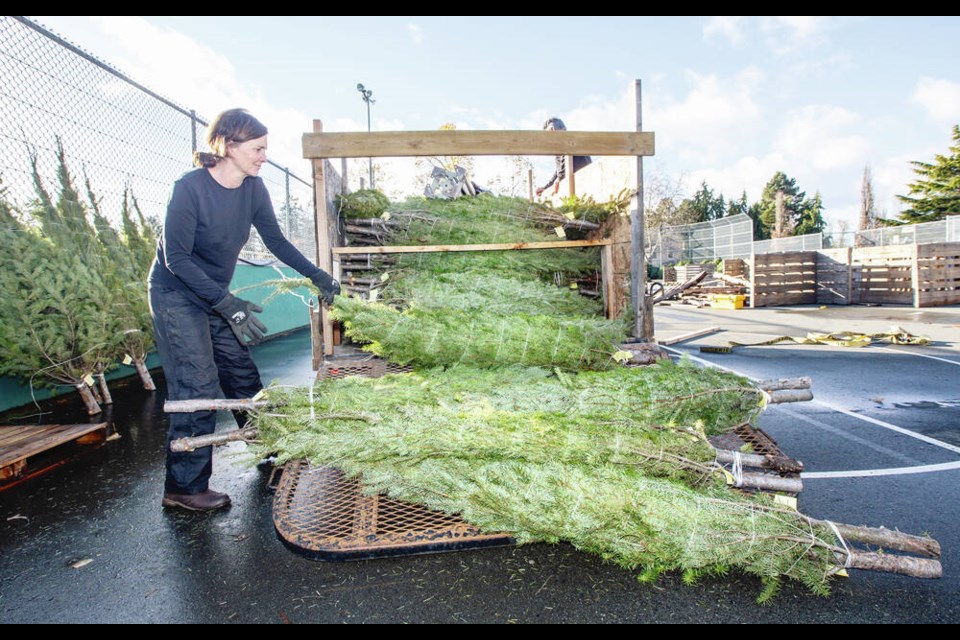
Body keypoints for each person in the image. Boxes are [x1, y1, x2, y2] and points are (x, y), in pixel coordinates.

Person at [148, 108, 340, 512]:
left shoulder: (253, 189)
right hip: (176, 294)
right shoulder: (190, 188)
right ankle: (184, 486)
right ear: (228, 145)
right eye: (258, 148)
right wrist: (226, 304)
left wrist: (317, 276)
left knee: (240, 371)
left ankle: (270, 451)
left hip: (214, 292)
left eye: (265, 148)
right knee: (197, 384)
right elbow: (176, 260)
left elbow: (278, 242)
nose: (263, 157)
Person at [535, 117, 593, 198]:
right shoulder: (559, 150)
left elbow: (568, 169)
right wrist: (545, 188)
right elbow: (559, 171)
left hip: (583, 186)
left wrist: (560, 180)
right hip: (574, 190)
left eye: (548, 135)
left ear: (552, 130)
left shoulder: (572, 142)